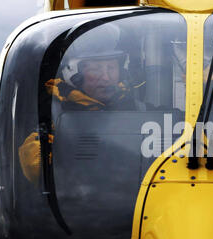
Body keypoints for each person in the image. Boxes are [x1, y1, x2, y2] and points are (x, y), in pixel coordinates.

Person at [18, 23, 145, 184]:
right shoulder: (51, 112)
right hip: (76, 202)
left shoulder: (140, 109)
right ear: (73, 74)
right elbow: (34, 169)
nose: (105, 77)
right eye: (96, 69)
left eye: (111, 68)